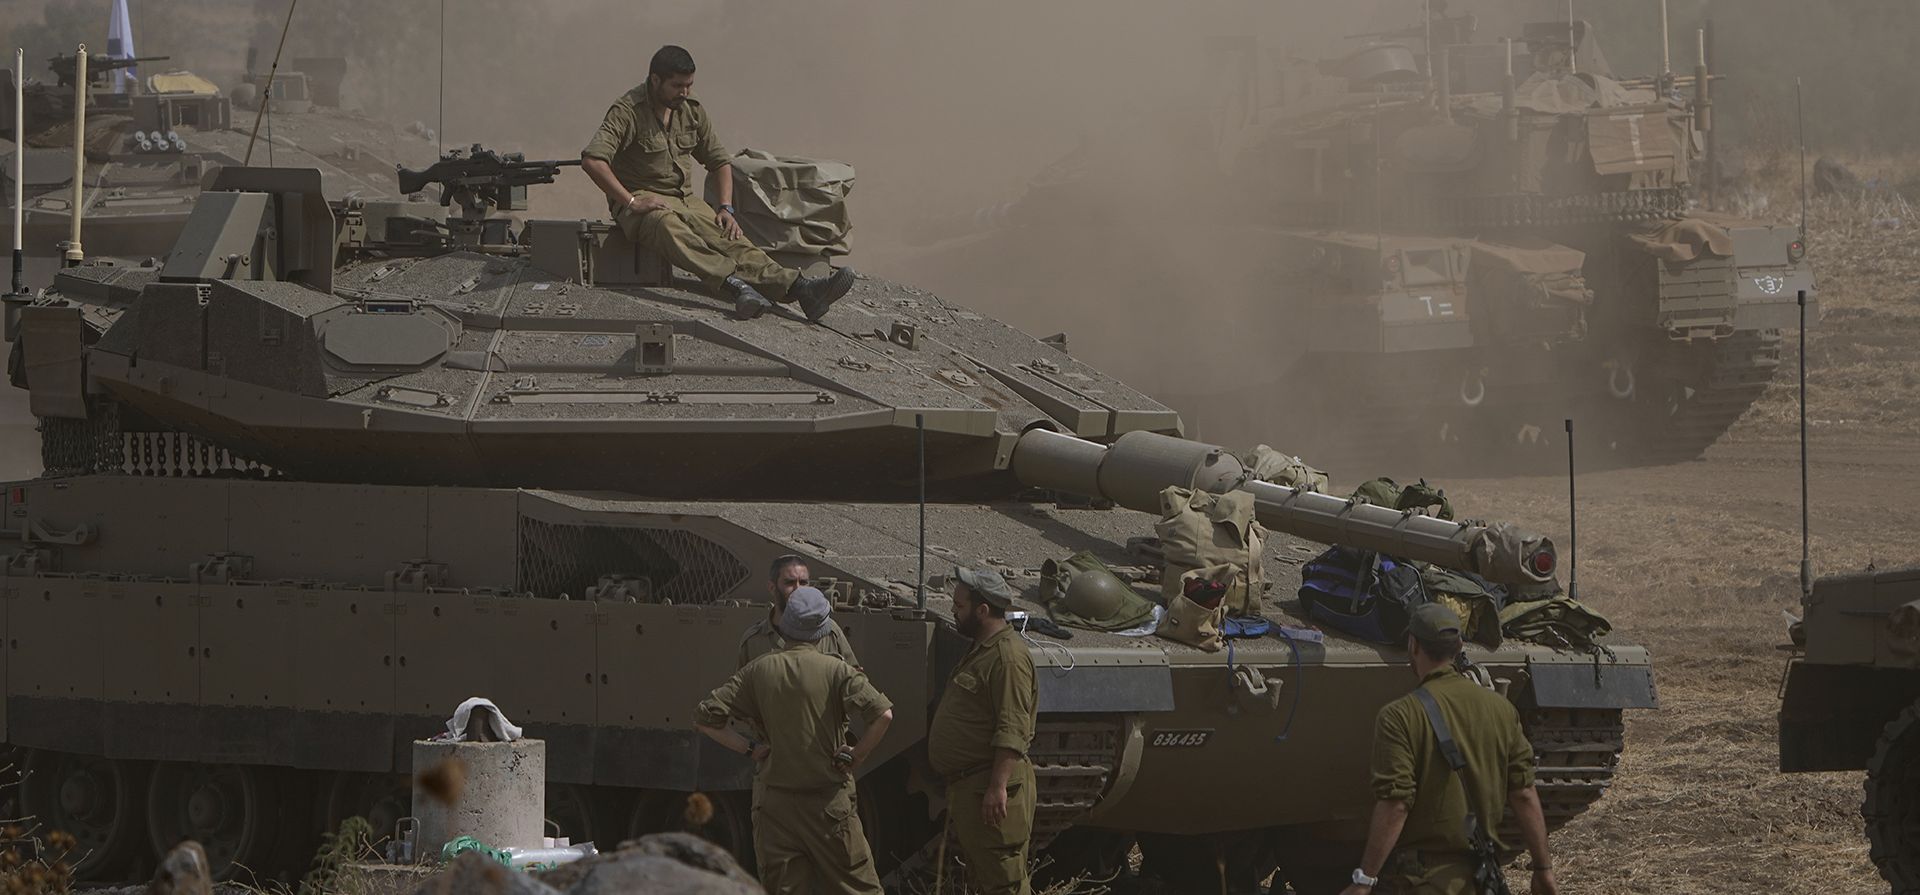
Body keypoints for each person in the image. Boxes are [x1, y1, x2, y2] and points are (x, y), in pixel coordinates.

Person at [580, 44, 856, 322]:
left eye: (689, 85)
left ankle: (801, 289)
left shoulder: (691, 110)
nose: (684, 92)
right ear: (655, 80)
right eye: (677, 85)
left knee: (728, 235)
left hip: (685, 199)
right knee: (668, 226)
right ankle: (736, 287)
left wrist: (726, 207)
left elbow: (719, 161)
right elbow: (593, 160)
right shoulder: (627, 111)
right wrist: (631, 201)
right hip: (640, 203)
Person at [1341, 604, 1558, 895]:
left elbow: (1397, 804)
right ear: (1459, 647)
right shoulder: (1501, 709)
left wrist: (1364, 879)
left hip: (1419, 882)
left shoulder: (1400, 715)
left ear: (1413, 645)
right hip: (1480, 879)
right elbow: (1523, 792)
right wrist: (1543, 869)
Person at [695, 586, 894, 895]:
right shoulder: (838, 671)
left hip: (775, 807)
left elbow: (706, 717)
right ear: (824, 628)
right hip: (828, 804)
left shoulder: (758, 669)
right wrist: (857, 756)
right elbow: (883, 715)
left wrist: (750, 749)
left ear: (786, 624)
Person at [927, 566, 1038, 895]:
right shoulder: (983, 648)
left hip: (990, 787)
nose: (953, 611)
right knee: (987, 880)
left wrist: (997, 787)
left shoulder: (1007, 658)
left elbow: (1013, 727)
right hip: (971, 785)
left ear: (983, 610)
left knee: (1005, 883)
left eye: (959, 606)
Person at [738, 554, 861, 669]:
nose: (798, 589)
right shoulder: (754, 640)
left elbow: (854, 682)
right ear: (772, 587)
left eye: (803, 583)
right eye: (789, 583)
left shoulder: (829, 632)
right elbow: (740, 688)